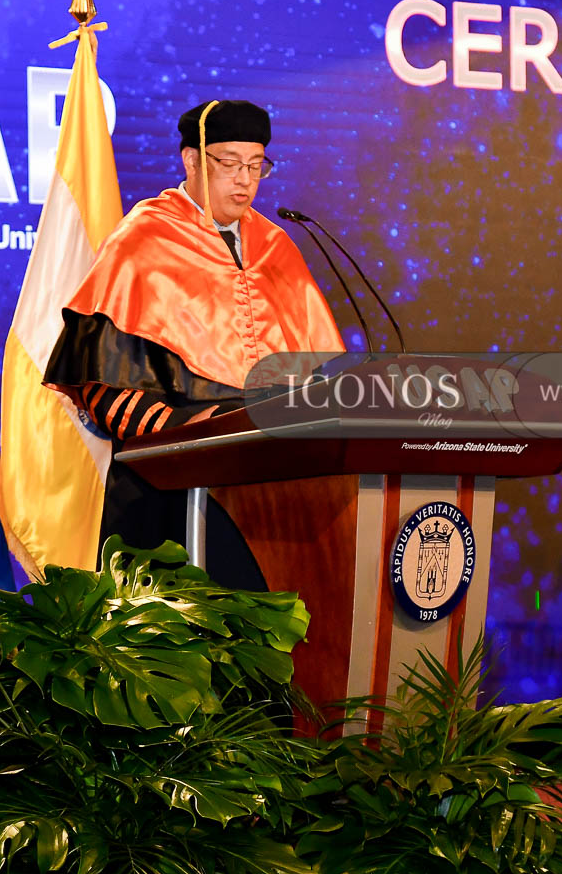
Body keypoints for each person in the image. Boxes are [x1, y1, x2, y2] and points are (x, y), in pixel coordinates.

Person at [44, 99, 345, 586]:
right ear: (191, 160)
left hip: (268, 499)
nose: (244, 181)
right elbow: (101, 384)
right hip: (165, 493)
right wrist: (191, 434)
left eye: (256, 166)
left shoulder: (276, 247)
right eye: (230, 164)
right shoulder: (144, 239)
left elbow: (308, 380)